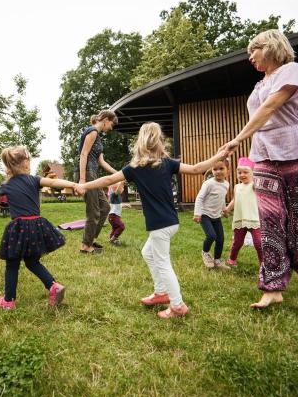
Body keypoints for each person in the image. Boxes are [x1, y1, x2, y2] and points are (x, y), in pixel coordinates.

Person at [219, 29, 298, 309]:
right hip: (265, 155)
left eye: (252, 52)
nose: (250, 58)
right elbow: (261, 109)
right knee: (269, 221)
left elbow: (270, 108)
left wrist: (237, 139)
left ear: (268, 47)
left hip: (297, 150)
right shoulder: (259, 84)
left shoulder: (293, 70)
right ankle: (273, 287)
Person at [79, 122, 227, 319]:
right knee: (147, 252)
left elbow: (108, 180)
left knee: (163, 263)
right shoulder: (167, 163)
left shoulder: (134, 168)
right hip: (170, 222)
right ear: (159, 141)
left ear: (140, 142)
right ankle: (160, 293)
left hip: (160, 226)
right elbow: (197, 168)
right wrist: (219, 155)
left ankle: (177, 305)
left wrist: (84, 185)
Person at [0, 146, 78, 309]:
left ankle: (8, 300)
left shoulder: (6, 185)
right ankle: (53, 286)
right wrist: (74, 184)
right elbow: (53, 182)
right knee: (31, 261)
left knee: (12, 263)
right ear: (26, 164)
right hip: (36, 225)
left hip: (18, 227)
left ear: (9, 167)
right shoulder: (34, 180)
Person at [75, 110, 119, 254]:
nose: (111, 128)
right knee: (93, 211)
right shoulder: (92, 131)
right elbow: (83, 154)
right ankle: (85, 246)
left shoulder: (98, 137)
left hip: (93, 174)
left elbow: (101, 161)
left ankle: (90, 240)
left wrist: (118, 174)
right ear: (105, 119)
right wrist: (82, 180)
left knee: (105, 207)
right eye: (111, 125)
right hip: (86, 174)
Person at [224, 157, 263, 268]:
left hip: (253, 219)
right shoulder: (237, 187)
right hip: (240, 219)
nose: (242, 175)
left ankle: (263, 264)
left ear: (252, 173)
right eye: (239, 172)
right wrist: (227, 209)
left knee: (258, 243)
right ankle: (232, 259)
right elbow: (234, 200)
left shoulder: (255, 185)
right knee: (237, 242)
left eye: (246, 172)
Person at [193, 159, 230, 269]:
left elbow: (221, 198)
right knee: (211, 235)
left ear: (228, 170)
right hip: (205, 215)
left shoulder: (226, 184)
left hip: (216, 216)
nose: (218, 171)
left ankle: (217, 260)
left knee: (220, 239)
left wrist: (224, 210)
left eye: (221, 169)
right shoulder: (208, 184)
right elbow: (199, 198)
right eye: (215, 169)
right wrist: (197, 213)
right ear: (211, 171)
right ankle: (205, 253)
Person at [107, 181, 130, 246]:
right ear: (116, 188)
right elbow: (118, 190)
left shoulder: (117, 196)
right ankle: (113, 239)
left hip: (113, 216)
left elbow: (117, 205)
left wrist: (125, 205)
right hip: (113, 216)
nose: (123, 187)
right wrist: (122, 182)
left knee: (115, 228)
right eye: (122, 186)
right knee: (121, 226)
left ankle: (112, 238)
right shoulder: (114, 195)